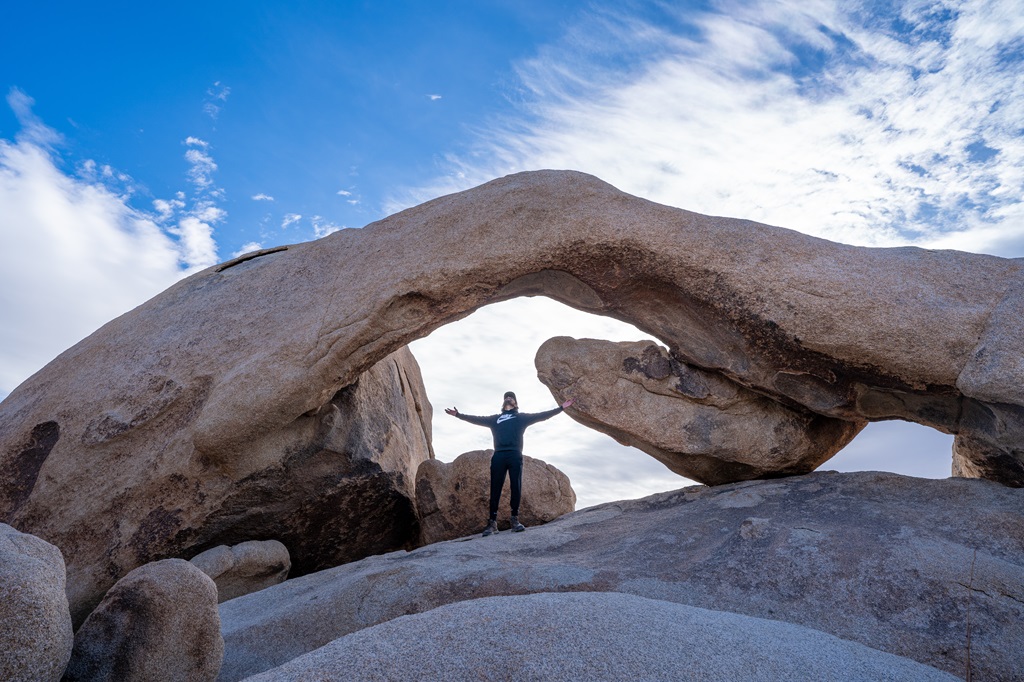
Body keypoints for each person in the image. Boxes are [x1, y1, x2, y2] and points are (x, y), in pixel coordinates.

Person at [445, 391, 574, 537]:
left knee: (516, 486)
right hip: (499, 455)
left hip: (514, 455)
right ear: (503, 402)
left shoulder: (521, 418)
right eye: (506, 397)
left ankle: (515, 520)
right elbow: (477, 419)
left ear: (516, 403)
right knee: (495, 488)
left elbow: (542, 415)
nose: (509, 398)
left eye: (512, 397)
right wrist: (458, 415)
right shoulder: (495, 419)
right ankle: (492, 522)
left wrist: (561, 407)